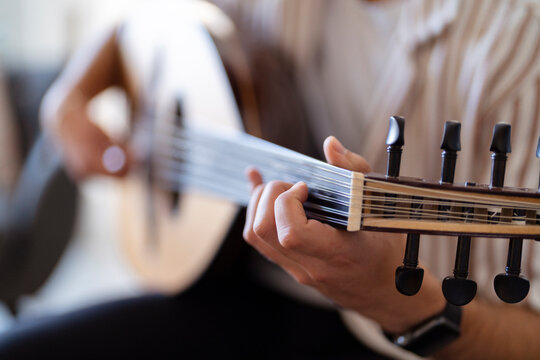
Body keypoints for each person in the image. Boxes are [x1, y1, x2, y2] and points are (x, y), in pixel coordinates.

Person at [1, 0, 540, 359]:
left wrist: (389, 298)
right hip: (237, 279)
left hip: (411, 341)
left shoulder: (518, 43)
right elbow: (131, 32)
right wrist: (67, 96)